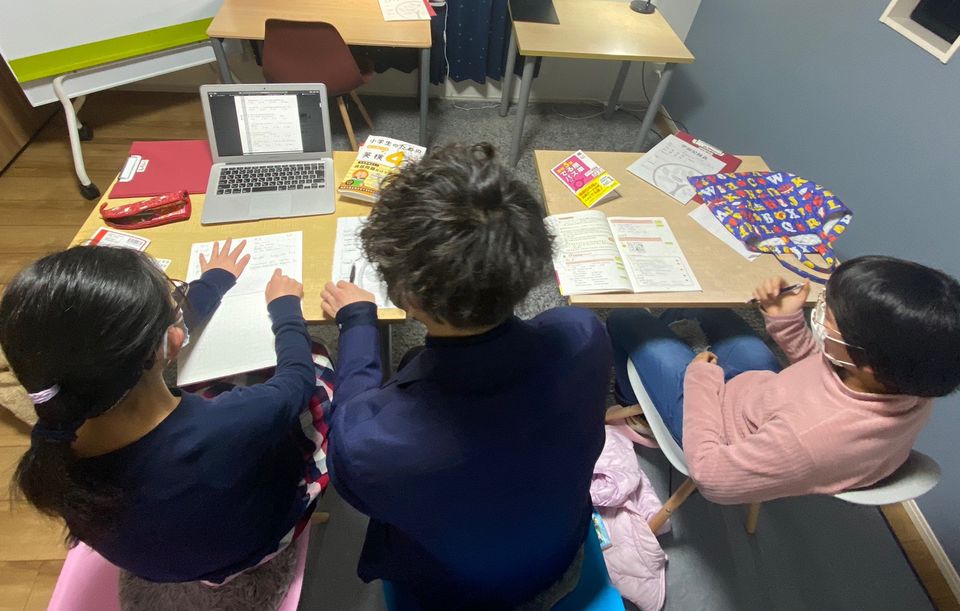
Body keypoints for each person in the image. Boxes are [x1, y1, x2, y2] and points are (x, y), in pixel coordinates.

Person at [319, 142, 611, 609]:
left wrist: (357, 321)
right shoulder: (583, 335)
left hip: (454, 592)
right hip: (560, 555)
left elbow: (351, 423)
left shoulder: (369, 442)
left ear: (408, 295)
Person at [0, 242, 331, 603]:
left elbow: (133, 339)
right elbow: (296, 381)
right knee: (315, 360)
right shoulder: (231, 422)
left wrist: (215, 281)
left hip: (161, 564)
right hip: (255, 542)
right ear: (173, 341)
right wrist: (285, 309)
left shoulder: (53, 438)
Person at [607, 256, 960, 504]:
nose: (820, 312)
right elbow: (822, 379)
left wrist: (700, 379)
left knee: (626, 319)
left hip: (713, 432)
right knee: (708, 308)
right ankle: (661, 342)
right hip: (764, 397)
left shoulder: (808, 440)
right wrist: (788, 322)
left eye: (829, 317)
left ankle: (636, 405)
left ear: (865, 361)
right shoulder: (911, 380)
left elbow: (711, 479)